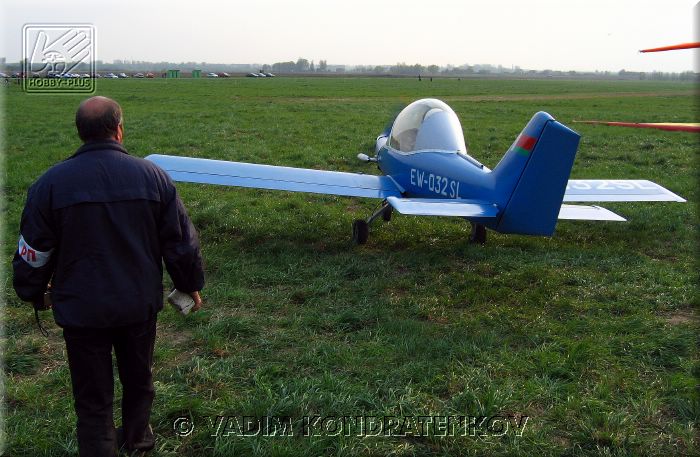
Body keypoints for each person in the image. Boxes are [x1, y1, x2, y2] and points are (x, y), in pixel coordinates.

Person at [12, 96, 205, 456]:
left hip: (82, 312)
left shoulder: (49, 184)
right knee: (139, 380)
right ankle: (139, 443)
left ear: (80, 133)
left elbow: (33, 251)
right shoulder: (154, 177)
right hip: (137, 306)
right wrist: (188, 283)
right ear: (119, 129)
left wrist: (31, 290)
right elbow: (181, 242)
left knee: (92, 396)